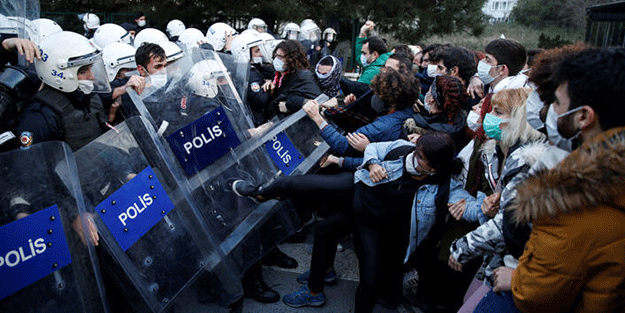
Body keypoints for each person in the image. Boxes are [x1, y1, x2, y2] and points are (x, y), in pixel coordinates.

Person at [500, 47, 625, 312]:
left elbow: (533, 295)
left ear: (583, 116)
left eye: (556, 102)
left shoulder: (569, 202)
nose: (549, 112)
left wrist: (513, 279)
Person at [448, 88, 567, 312]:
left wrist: (461, 248)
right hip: (499, 260)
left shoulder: (526, 161)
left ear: (521, 119)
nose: (490, 116)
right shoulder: (496, 152)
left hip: (518, 264)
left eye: (499, 112)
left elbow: (511, 222)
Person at [10, 31, 111, 152]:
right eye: (83, 71)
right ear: (59, 74)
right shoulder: (38, 118)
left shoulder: (89, 99)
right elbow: (29, 166)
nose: (92, 76)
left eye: (91, 68)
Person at [262, 39, 321, 119]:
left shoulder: (303, 77)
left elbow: (317, 103)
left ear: (292, 58)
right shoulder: (278, 75)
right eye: (276, 56)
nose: (276, 60)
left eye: (280, 57)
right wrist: (272, 89)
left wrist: (289, 105)